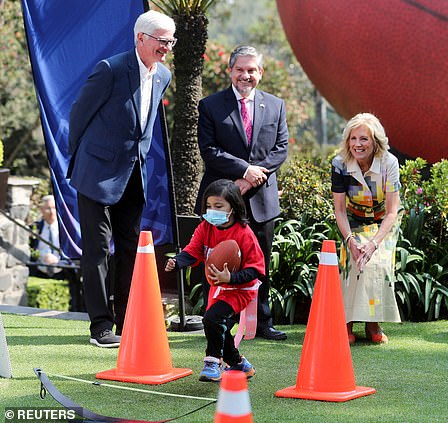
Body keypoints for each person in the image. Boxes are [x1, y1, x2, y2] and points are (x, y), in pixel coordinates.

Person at [67, 10, 175, 348]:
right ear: (140, 38)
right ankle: (100, 327)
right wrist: (84, 160)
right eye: (162, 40)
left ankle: (126, 320)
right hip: (96, 173)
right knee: (97, 250)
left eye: (171, 41)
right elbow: (78, 117)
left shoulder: (163, 76)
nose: (167, 47)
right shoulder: (110, 69)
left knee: (130, 249)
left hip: (134, 174)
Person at [196, 45, 289, 341]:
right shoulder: (210, 106)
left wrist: (252, 177)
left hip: (261, 198)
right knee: (218, 260)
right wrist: (244, 170)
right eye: (240, 70)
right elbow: (209, 150)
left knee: (258, 262)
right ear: (230, 71)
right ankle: (220, 321)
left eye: (251, 70)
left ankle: (262, 322)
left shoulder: (276, 105)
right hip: (222, 200)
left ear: (260, 73)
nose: (245, 76)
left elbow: (280, 149)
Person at [166, 179, 264, 382]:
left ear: (233, 207)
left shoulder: (245, 234)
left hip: (241, 290)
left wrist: (232, 278)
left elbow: (256, 270)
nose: (213, 211)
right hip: (217, 288)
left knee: (212, 319)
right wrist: (177, 262)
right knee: (218, 325)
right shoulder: (205, 228)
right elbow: (192, 251)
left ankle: (212, 361)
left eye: (218, 206)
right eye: (209, 206)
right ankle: (238, 364)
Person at [331, 113, 402, 344]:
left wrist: (372, 244)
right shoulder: (339, 164)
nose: (357, 144)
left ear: (375, 142)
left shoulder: (389, 163)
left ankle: (373, 324)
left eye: (364, 139)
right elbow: (339, 210)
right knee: (350, 261)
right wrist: (351, 240)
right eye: (353, 138)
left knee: (375, 262)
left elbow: (392, 212)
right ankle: (347, 323)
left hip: (383, 222)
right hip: (351, 221)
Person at [29, 195, 63, 279]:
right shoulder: (35, 228)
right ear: (41, 210)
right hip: (38, 272)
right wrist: (43, 256)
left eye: (54, 208)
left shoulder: (64, 229)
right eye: (48, 208)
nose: (52, 212)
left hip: (63, 272)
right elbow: (31, 249)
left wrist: (58, 260)